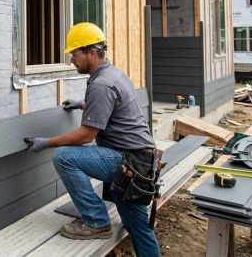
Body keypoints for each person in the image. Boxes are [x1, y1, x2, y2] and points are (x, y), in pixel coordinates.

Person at [25, 22, 161, 256]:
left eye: (75, 54)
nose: (71, 60)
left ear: (92, 53)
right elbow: (111, 109)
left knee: (65, 157)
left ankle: (96, 221)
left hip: (128, 162)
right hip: (140, 162)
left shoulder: (102, 83)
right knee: (137, 227)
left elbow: (86, 134)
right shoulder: (112, 74)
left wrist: (46, 142)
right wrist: (83, 105)